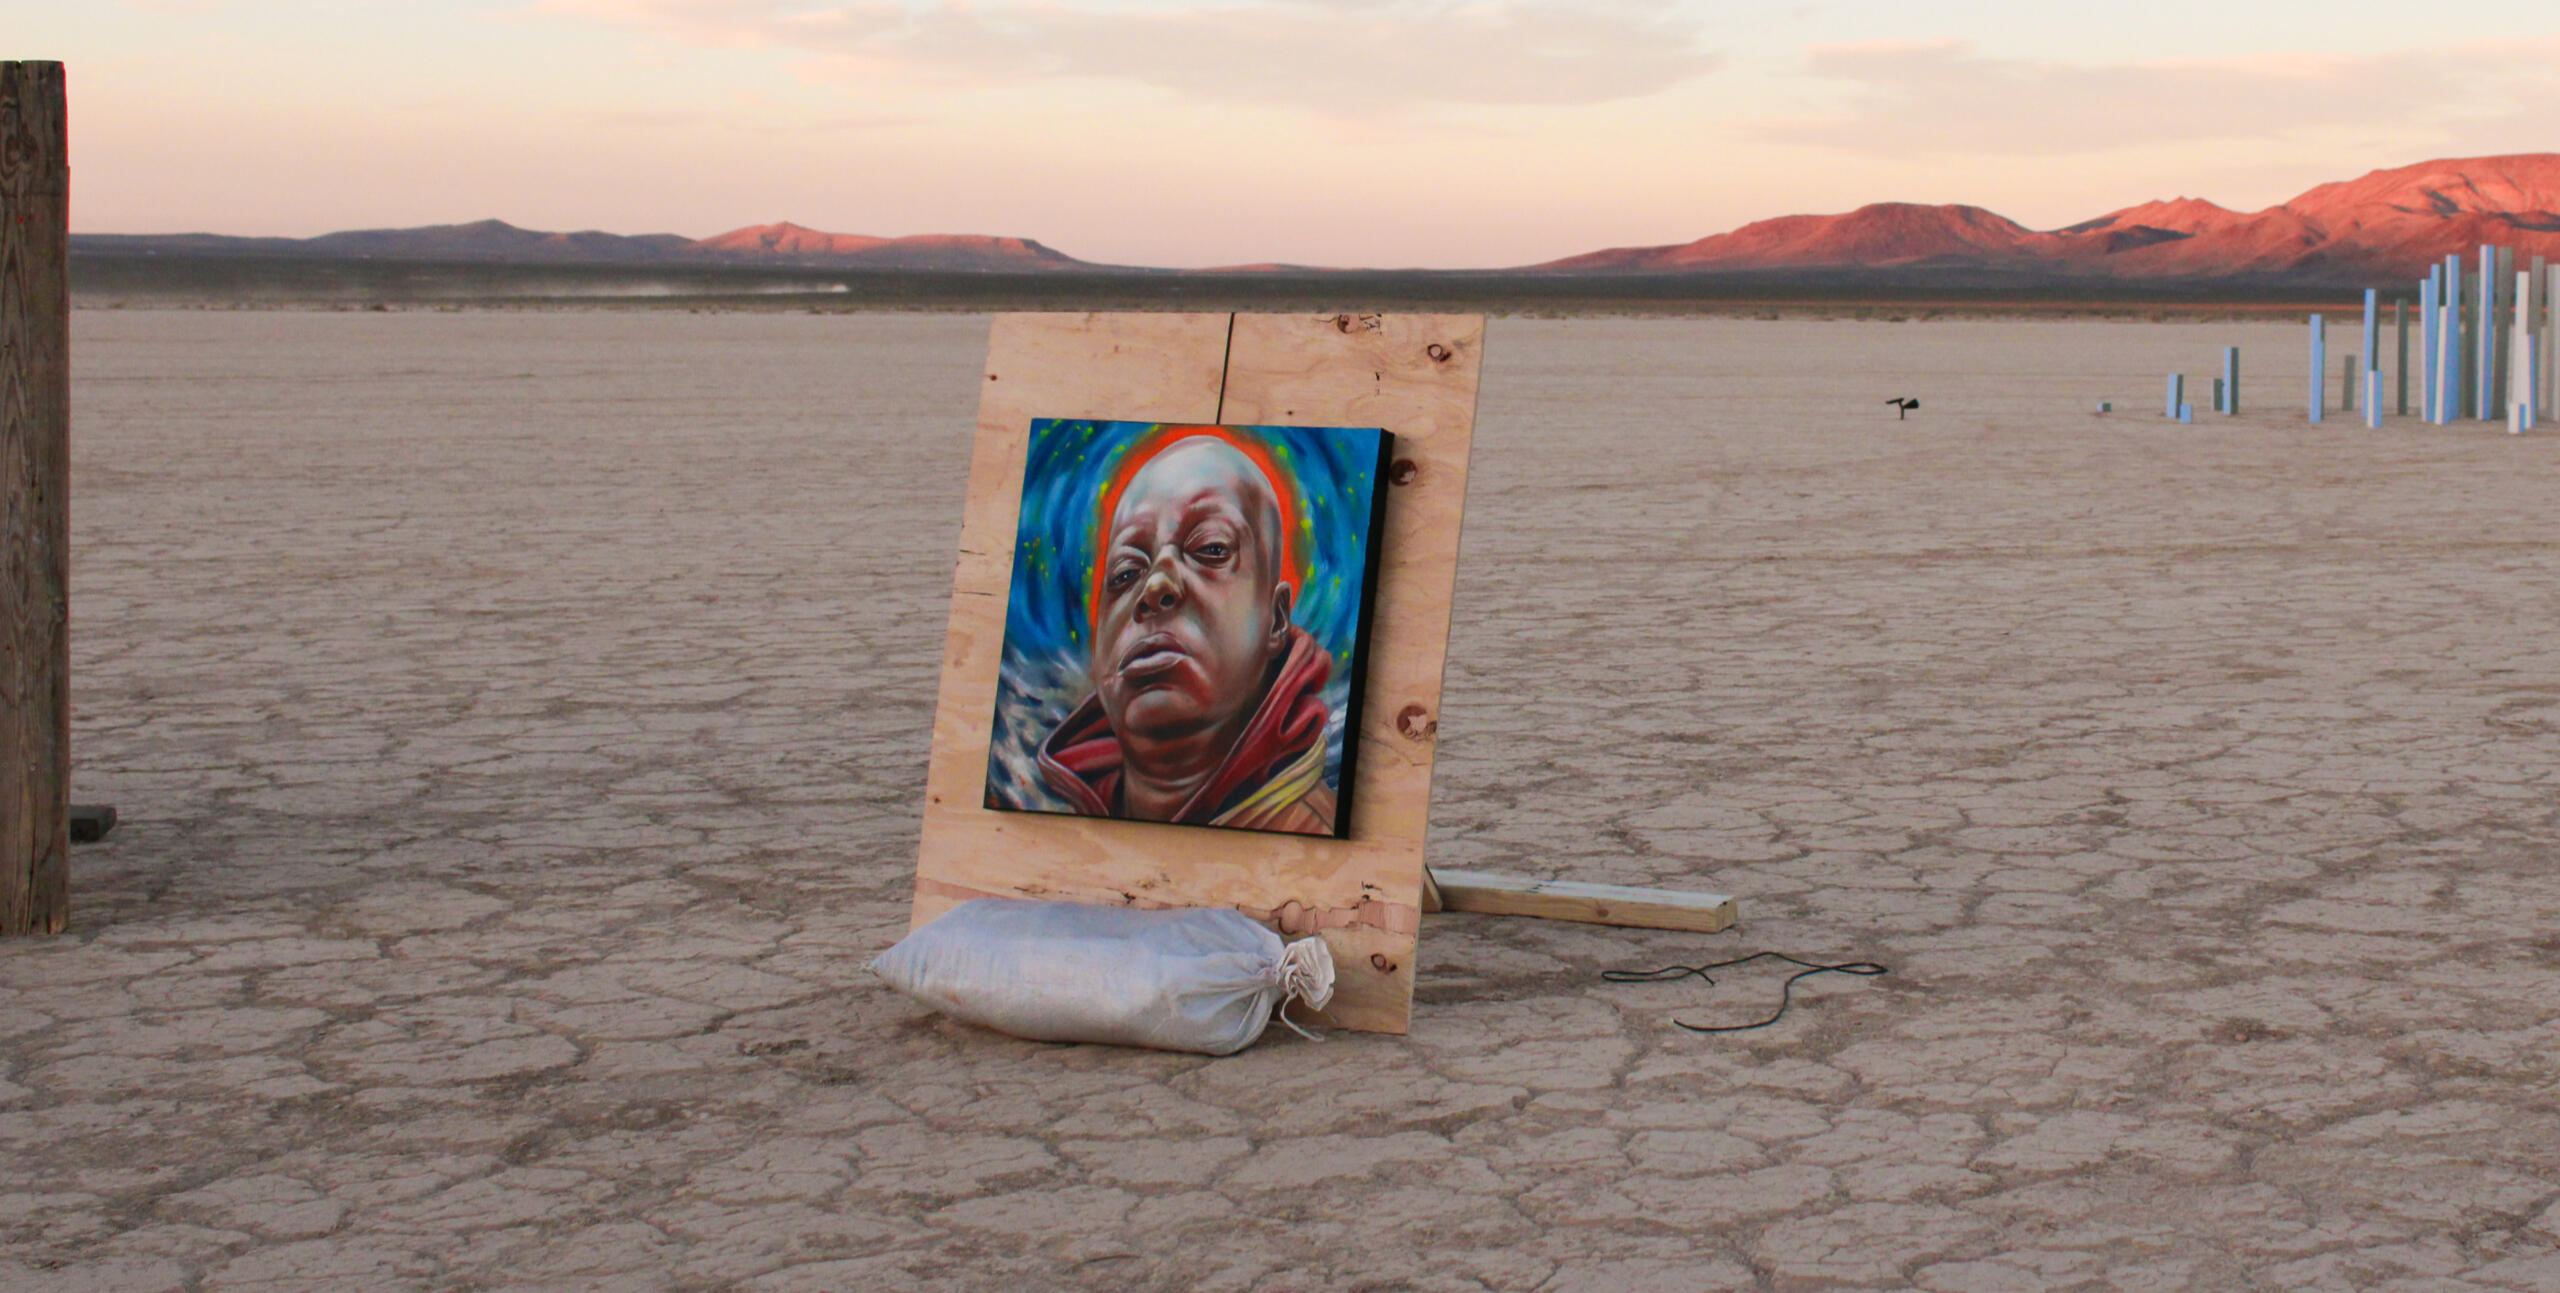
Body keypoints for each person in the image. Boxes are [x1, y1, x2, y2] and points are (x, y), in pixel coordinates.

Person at [1032, 434, 1338, 835]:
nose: (1155, 586)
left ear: (1277, 619)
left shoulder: (1314, 838)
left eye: (1211, 549)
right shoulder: (1047, 827)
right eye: (1126, 573)